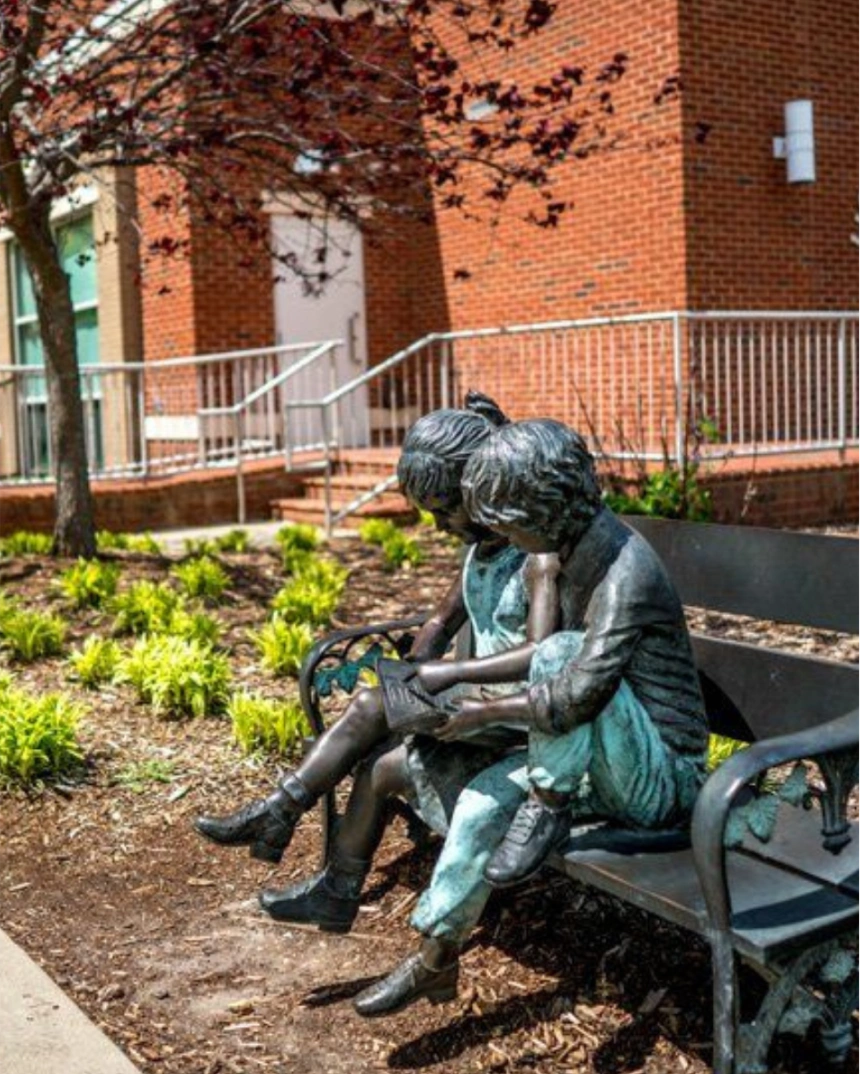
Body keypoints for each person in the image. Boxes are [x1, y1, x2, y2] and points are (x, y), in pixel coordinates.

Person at [352, 419, 708, 1018]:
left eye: (507, 521)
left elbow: (575, 693)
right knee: (482, 804)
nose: (500, 534)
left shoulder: (625, 574)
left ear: (544, 509)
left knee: (559, 650)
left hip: (662, 780)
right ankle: (435, 961)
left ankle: (547, 801)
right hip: (593, 755)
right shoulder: (572, 547)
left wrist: (478, 715)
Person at [194, 394, 560, 933]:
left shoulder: (534, 553)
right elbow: (440, 622)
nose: (436, 524)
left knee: (370, 706)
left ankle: (279, 810)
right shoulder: (479, 552)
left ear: (478, 488)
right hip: (475, 701)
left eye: (443, 509)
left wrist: (433, 681)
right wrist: (415, 666)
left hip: (515, 714)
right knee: (381, 766)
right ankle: (336, 893)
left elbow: (544, 655)